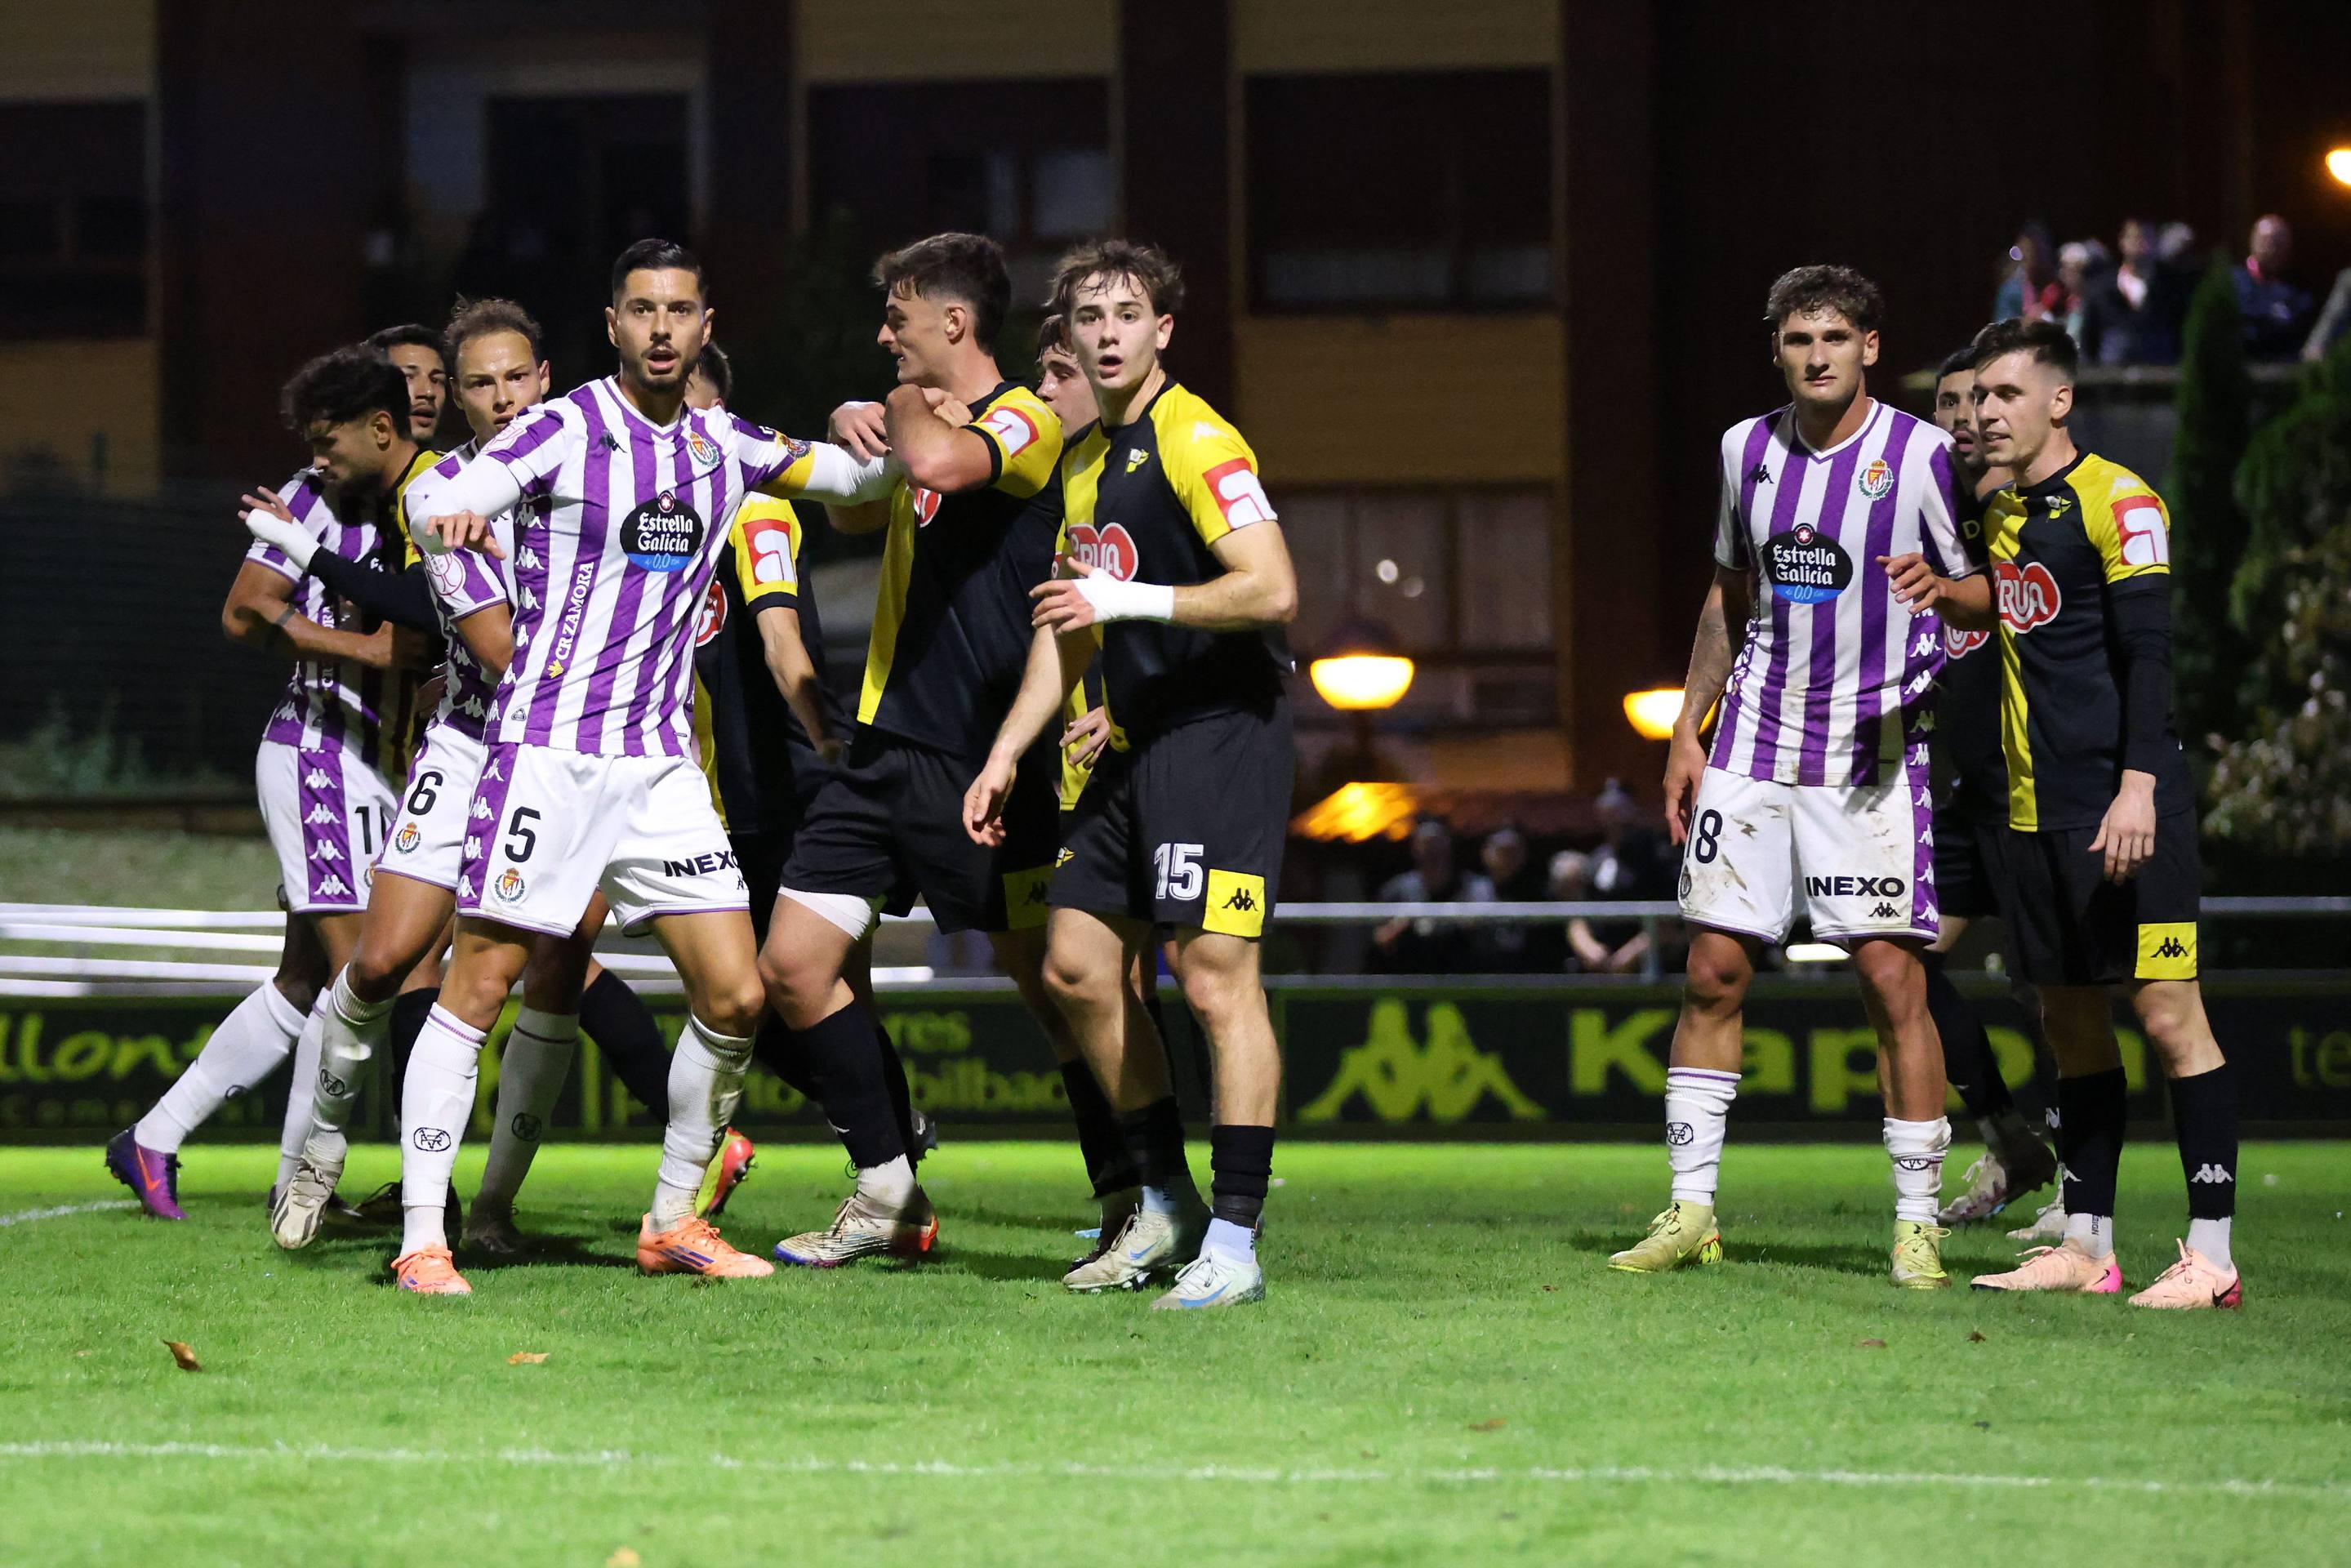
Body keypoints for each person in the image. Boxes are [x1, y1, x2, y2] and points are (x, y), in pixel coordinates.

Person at [389, 238, 896, 1296]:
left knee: (735, 991)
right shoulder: (561, 427)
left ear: (705, 325)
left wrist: (874, 417)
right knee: (479, 982)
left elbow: (853, 475)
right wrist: (458, 517)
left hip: (659, 768)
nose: (660, 328)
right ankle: (421, 1237)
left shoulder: (725, 443)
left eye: (678, 310)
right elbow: (439, 502)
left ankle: (671, 1219)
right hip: (548, 756)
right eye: (640, 310)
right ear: (612, 325)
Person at [257, 299, 687, 1253]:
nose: (500, 399)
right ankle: (322, 1147)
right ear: (459, 396)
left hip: (575, 763)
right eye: (479, 383)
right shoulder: (446, 490)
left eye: (515, 378)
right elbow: (498, 651)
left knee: (557, 975)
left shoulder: (605, 472)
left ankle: (485, 1209)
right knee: (379, 963)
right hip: (472, 746)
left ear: (545, 379)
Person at [1612, 265, 1988, 1290]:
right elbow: (1728, 598)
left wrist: (1941, 589)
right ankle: (1690, 1209)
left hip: (1866, 758)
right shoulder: (1744, 449)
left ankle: (1916, 1223)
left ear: (1869, 346)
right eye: (1795, 341)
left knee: (1886, 980)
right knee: (1709, 972)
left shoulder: (1917, 455)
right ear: (1776, 350)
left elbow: (1985, 596)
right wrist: (1686, 732)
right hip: (1750, 746)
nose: (1814, 356)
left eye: (1832, 338)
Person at [967, 238, 1299, 1310]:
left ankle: (1235, 1243)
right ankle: (1163, 1203)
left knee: (1212, 980)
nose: (1105, 334)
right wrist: (1008, 749)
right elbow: (1065, 631)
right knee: (1072, 966)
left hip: (1219, 733)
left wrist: (1136, 605)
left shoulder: (1197, 437)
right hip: (1133, 737)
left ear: (1163, 329)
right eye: (1087, 320)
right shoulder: (1082, 464)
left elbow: (1272, 588)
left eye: (1126, 314)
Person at [755, 233, 1076, 1268]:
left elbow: (936, 458)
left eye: (897, 318)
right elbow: (858, 495)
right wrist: (862, 428)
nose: (883, 335)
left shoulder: (1022, 413)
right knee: (793, 967)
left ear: (955, 323)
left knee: (1064, 990)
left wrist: (894, 413)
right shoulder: (918, 424)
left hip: (976, 762)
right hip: (882, 749)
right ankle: (886, 1189)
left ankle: (1142, 1190)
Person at [1952, 318, 2243, 1309]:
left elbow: (2149, 659)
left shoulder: (2120, 501)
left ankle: (2211, 1255)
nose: (1983, 414)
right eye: (1974, 399)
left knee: (2167, 1017)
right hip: (2029, 817)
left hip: (2126, 809)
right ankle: (2085, 1244)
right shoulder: (1993, 515)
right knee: (2070, 1024)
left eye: (2002, 395)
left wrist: (2138, 786)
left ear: (2057, 400)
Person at [106, 348, 434, 1219]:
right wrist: (364, 650)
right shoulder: (313, 497)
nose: (320, 457)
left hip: (380, 763)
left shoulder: (430, 498)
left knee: (301, 979)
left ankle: (153, 1136)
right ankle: (300, 1187)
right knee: (358, 976)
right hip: (319, 753)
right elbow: (242, 608)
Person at [1920, 346, 2059, 1226]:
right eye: (1947, 402)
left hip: (2038, 787)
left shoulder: (2037, 513)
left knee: (2047, 983)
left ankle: (2076, 1180)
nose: (1965, 416)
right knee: (1899, 956)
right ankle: (2008, 1136)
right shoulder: (1919, 516)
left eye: (1983, 398)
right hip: (1963, 792)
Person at [1369, 818, 1494, 975]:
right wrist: (1402, 923)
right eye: (1426, 843)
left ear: (1449, 845)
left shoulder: (1474, 888)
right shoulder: (1397, 889)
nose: (1433, 850)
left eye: (1438, 842)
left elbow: (1491, 940)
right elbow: (1380, 940)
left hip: (1462, 980)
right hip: (1409, 980)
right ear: (1414, 847)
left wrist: (1466, 920)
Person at [2235, 215, 2315, 363]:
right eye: (2267, 240)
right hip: (2245, 367)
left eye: (2279, 243)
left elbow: (2302, 325)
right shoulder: (2234, 281)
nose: (2273, 248)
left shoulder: (2297, 286)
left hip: (2284, 368)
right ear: (2253, 241)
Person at [367, 323, 450, 447]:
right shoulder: (334, 463)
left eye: (436, 380)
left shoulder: (468, 466)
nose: (429, 392)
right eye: (408, 377)